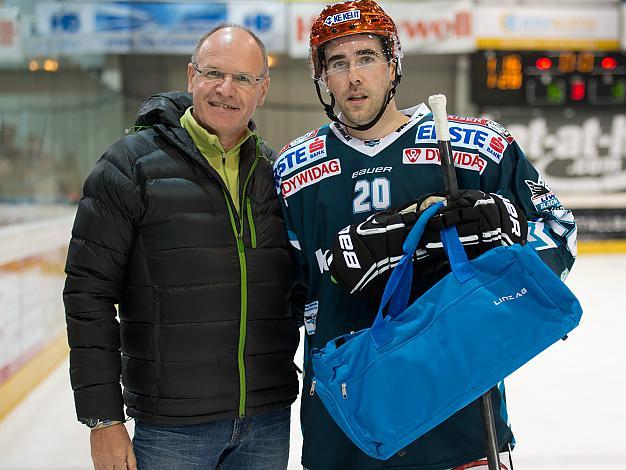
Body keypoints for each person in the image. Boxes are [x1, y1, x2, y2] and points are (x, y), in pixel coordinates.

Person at [273, 1, 576, 469]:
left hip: (459, 426)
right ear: (322, 77)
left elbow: (557, 234)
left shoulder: (477, 147)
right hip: (345, 432)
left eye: (367, 57)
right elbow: (279, 294)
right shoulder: (295, 170)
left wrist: (504, 244)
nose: (353, 76)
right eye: (338, 63)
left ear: (393, 65)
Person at [64, 25, 300, 470]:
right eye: (214, 73)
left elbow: (298, 288)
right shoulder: (128, 166)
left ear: (263, 90)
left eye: (244, 79)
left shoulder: (277, 172)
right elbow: (88, 296)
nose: (226, 90)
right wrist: (103, 420)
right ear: (191, 77)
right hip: (173, 428)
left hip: (266, 420)